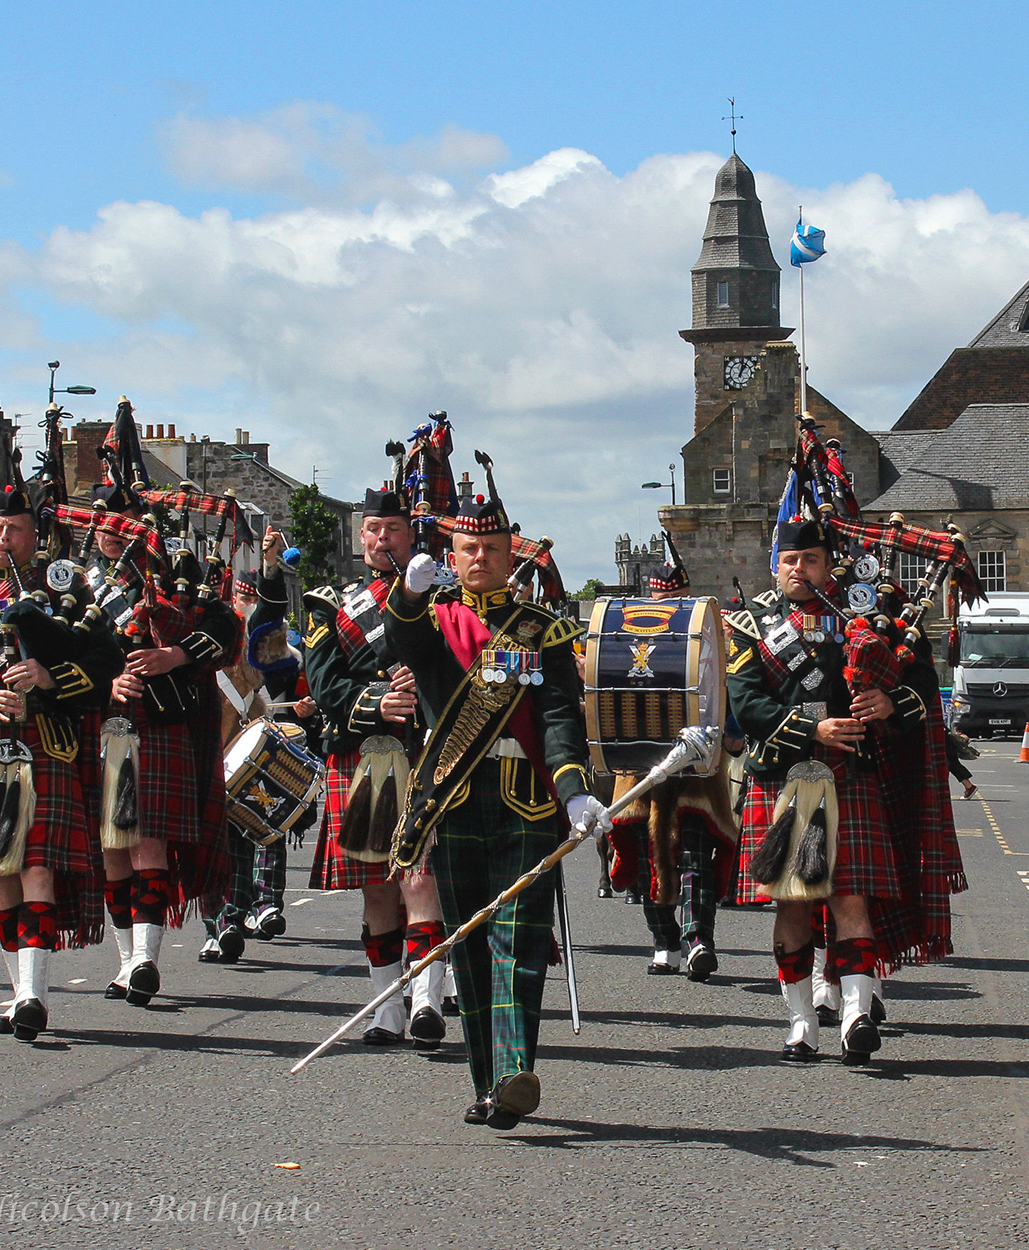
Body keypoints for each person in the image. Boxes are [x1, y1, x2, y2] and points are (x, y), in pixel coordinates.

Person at [380, 482, 606, 1128]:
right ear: (450, 555)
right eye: (467, 548)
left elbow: (560, 713)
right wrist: (410, 593)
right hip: (454, 801)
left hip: (527, 802)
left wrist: (574, 791)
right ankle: (486, 1082)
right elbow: (405, 643)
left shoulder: (546, 630)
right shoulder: (435, 620)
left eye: (491, 548)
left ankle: (514, 1072)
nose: (479, 558)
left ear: (513, 555)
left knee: (519, 943)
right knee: (470, 944)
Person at [726, 517, 961, 1066]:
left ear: (828, 564)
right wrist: (813, 729)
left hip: (851, 771)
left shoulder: (869, 618)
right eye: (790, 561)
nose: (799, 570)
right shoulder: (753, 624)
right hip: (786, 776)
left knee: (849, 896)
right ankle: (802, 1023)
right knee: (794, 904)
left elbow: (922, 681)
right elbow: (747, 704)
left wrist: (890, 702)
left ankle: (855, 1015)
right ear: (774, 565)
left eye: (810, 560)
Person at [0, 481, 121, 1042]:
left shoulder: (71, 592)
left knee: (36, 867)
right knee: (0, 875)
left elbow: (107, 658)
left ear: (35, 536)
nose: (2, 539)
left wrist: (49, 678)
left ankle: (34, 996)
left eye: (13, 529)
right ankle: (19, 995)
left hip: (47, 740)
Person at [303, 490, 451, 1050]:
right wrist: (376, 701)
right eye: (373, 529)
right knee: (378, 891)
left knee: (422, 879)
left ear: (410, 535)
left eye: (393, 527)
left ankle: (428, 1003)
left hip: (428, 754)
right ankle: (386, 1007)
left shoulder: (443, 597)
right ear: (361, 537)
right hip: (364, 757)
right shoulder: (329, 604)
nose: (383, 537)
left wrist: (428, 685)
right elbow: (324, 683)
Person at [90, 481, 238, 1009]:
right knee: (111, 849)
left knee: (147, 839)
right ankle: (127, 960)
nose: (111, 532)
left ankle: (147, 960)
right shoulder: (81, 586)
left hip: (159, 724)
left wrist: (176, 655)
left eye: (121, 520)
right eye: (102, 523)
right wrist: (105, 682)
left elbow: (227, 630)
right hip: (103, 725)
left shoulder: (178, 574)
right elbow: (67, 655)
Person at [603, 554, 739, 982]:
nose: (672, 608)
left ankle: (699, 940)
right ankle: (665, 942)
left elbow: (724, 687)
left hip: (696, 768)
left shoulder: (714, 635)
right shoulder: (625, 639)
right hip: (641, 767)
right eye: (664, 599)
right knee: (647, 863)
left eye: (679, 599)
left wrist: (733, 731)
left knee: (696, 855)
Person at [202, 528, 314, 963]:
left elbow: (270, 623)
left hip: (246, 749)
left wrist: (269, 568)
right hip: (205, 752)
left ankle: (247, 911)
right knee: (213, 844)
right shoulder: (191, 634)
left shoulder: (249, 642)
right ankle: (220, 925)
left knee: (256, 831)